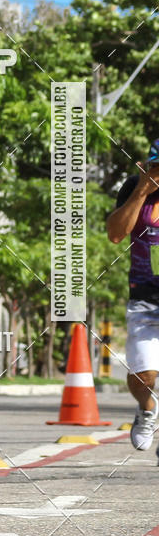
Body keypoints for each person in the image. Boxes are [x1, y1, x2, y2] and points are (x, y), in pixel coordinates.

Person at [107, 139, 159, 452]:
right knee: (145, 374)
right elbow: (115, 234)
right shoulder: (133, 188)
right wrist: (142, 190)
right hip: (145, 297)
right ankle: (147, 408)